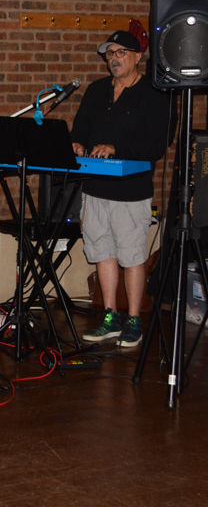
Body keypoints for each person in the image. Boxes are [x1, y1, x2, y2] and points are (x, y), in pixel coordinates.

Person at [72, 30, 172, 348]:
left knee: (131, 256)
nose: (113, 59)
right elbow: (80, 130)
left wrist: (117, 149)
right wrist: (77, 144)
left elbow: (157, 144)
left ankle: (133, 319)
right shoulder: (96, 90)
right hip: (94, 187)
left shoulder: (155, 95)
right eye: (109, 53)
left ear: (138, 56)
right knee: (102, 253)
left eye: (120, 53)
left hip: (131, 190)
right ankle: (110, 316)